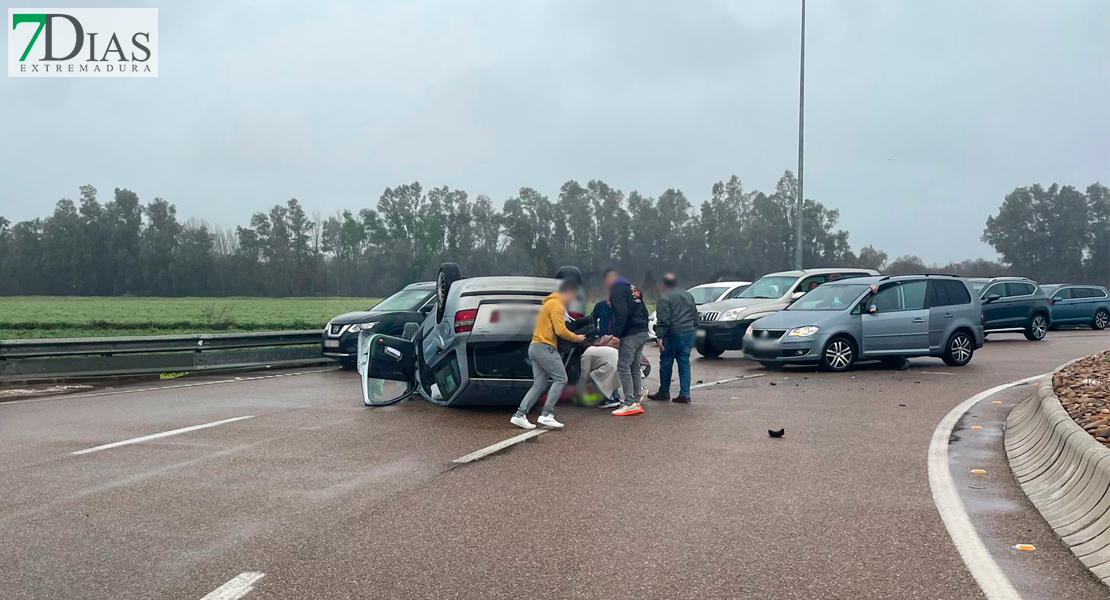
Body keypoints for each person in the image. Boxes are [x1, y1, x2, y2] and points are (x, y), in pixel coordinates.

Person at [511, 280, 586, 430]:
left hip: (534, 347)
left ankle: (519, 415)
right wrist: (577, 338)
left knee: (539, 384)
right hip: (546, 347)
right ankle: (547, 414)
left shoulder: (548, 303)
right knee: (561, 378)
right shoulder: (557, 305)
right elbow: (560, 330)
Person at [647, 273, 697, 403]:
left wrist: (660, 337)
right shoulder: (688, 295)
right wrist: (693, 328)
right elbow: (695, 314)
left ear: (664, 285)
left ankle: (664, 391)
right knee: (684, 362)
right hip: (688, 331)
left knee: (666, 363)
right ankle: (685, 393)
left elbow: (664, 320)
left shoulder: (664, 298)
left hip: (673, 333)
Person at [607, 269, 650, 416]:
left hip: (630, 333)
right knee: (635, 366)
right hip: (642, 331)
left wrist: (617, 334)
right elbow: (644, 310)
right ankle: (637, 399)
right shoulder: (634, 288)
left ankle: (629, 402)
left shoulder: (616, 290)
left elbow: (621, 312)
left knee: (623, 366)